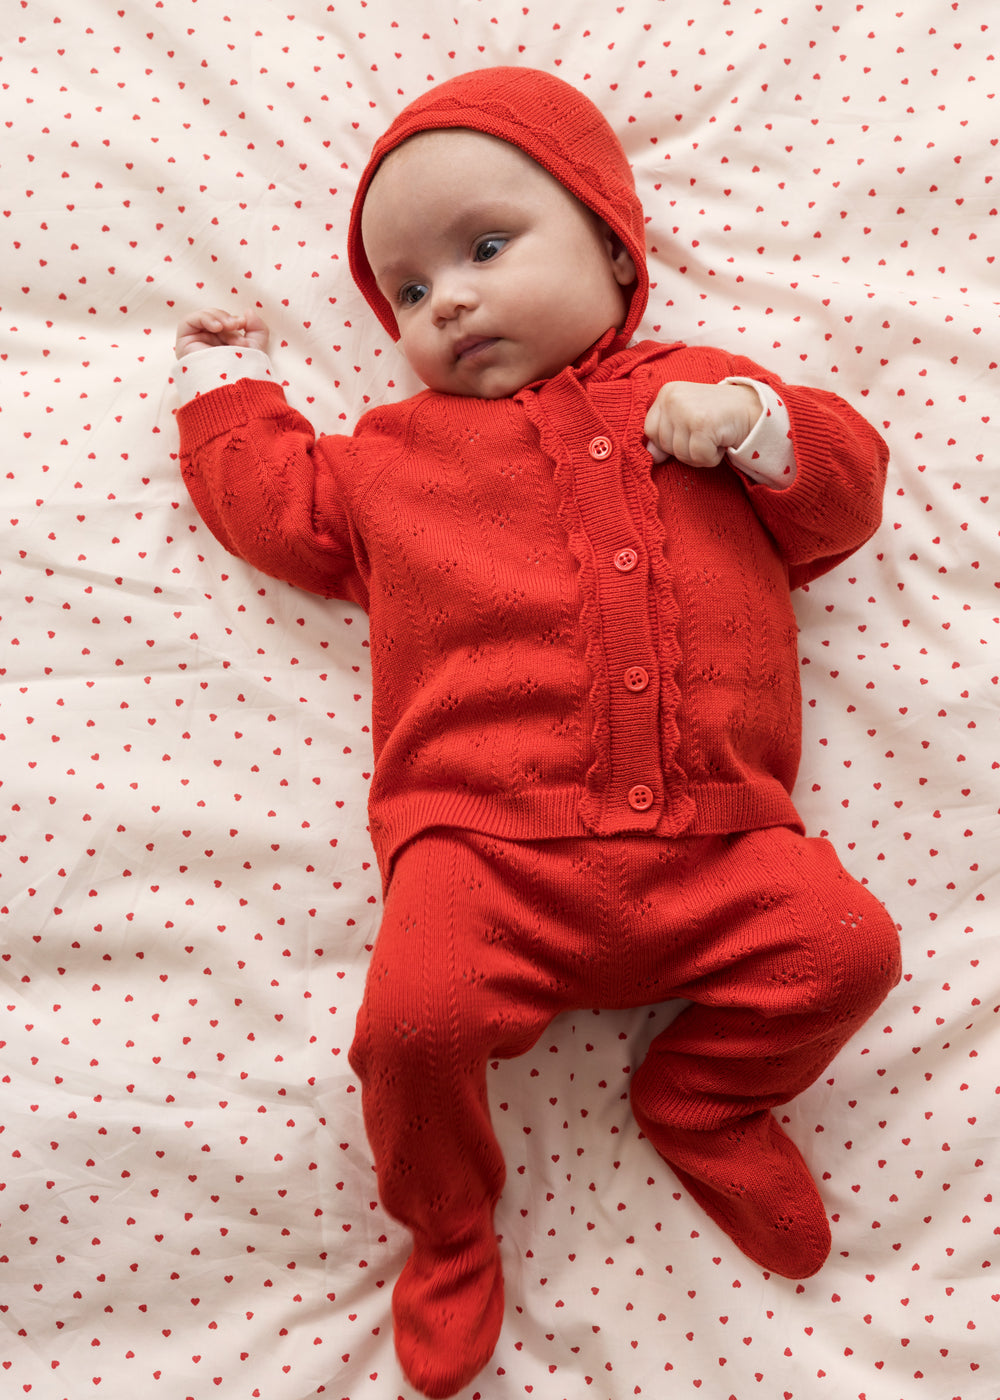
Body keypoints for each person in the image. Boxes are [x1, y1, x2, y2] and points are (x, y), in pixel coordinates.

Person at [172, 65, 901, 1400]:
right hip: (485, 854)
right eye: (404, 292)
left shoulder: (703, 398)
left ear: (617, 253)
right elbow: (284, 508)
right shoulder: (397, 456)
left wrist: (755, 428)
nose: (443, 299)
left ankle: (707, 1096)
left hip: (723, 844)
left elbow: (842, 504)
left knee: (851, 948)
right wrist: (226, 396)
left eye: (486, 248)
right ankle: (447, 1230)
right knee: (412, 1031)